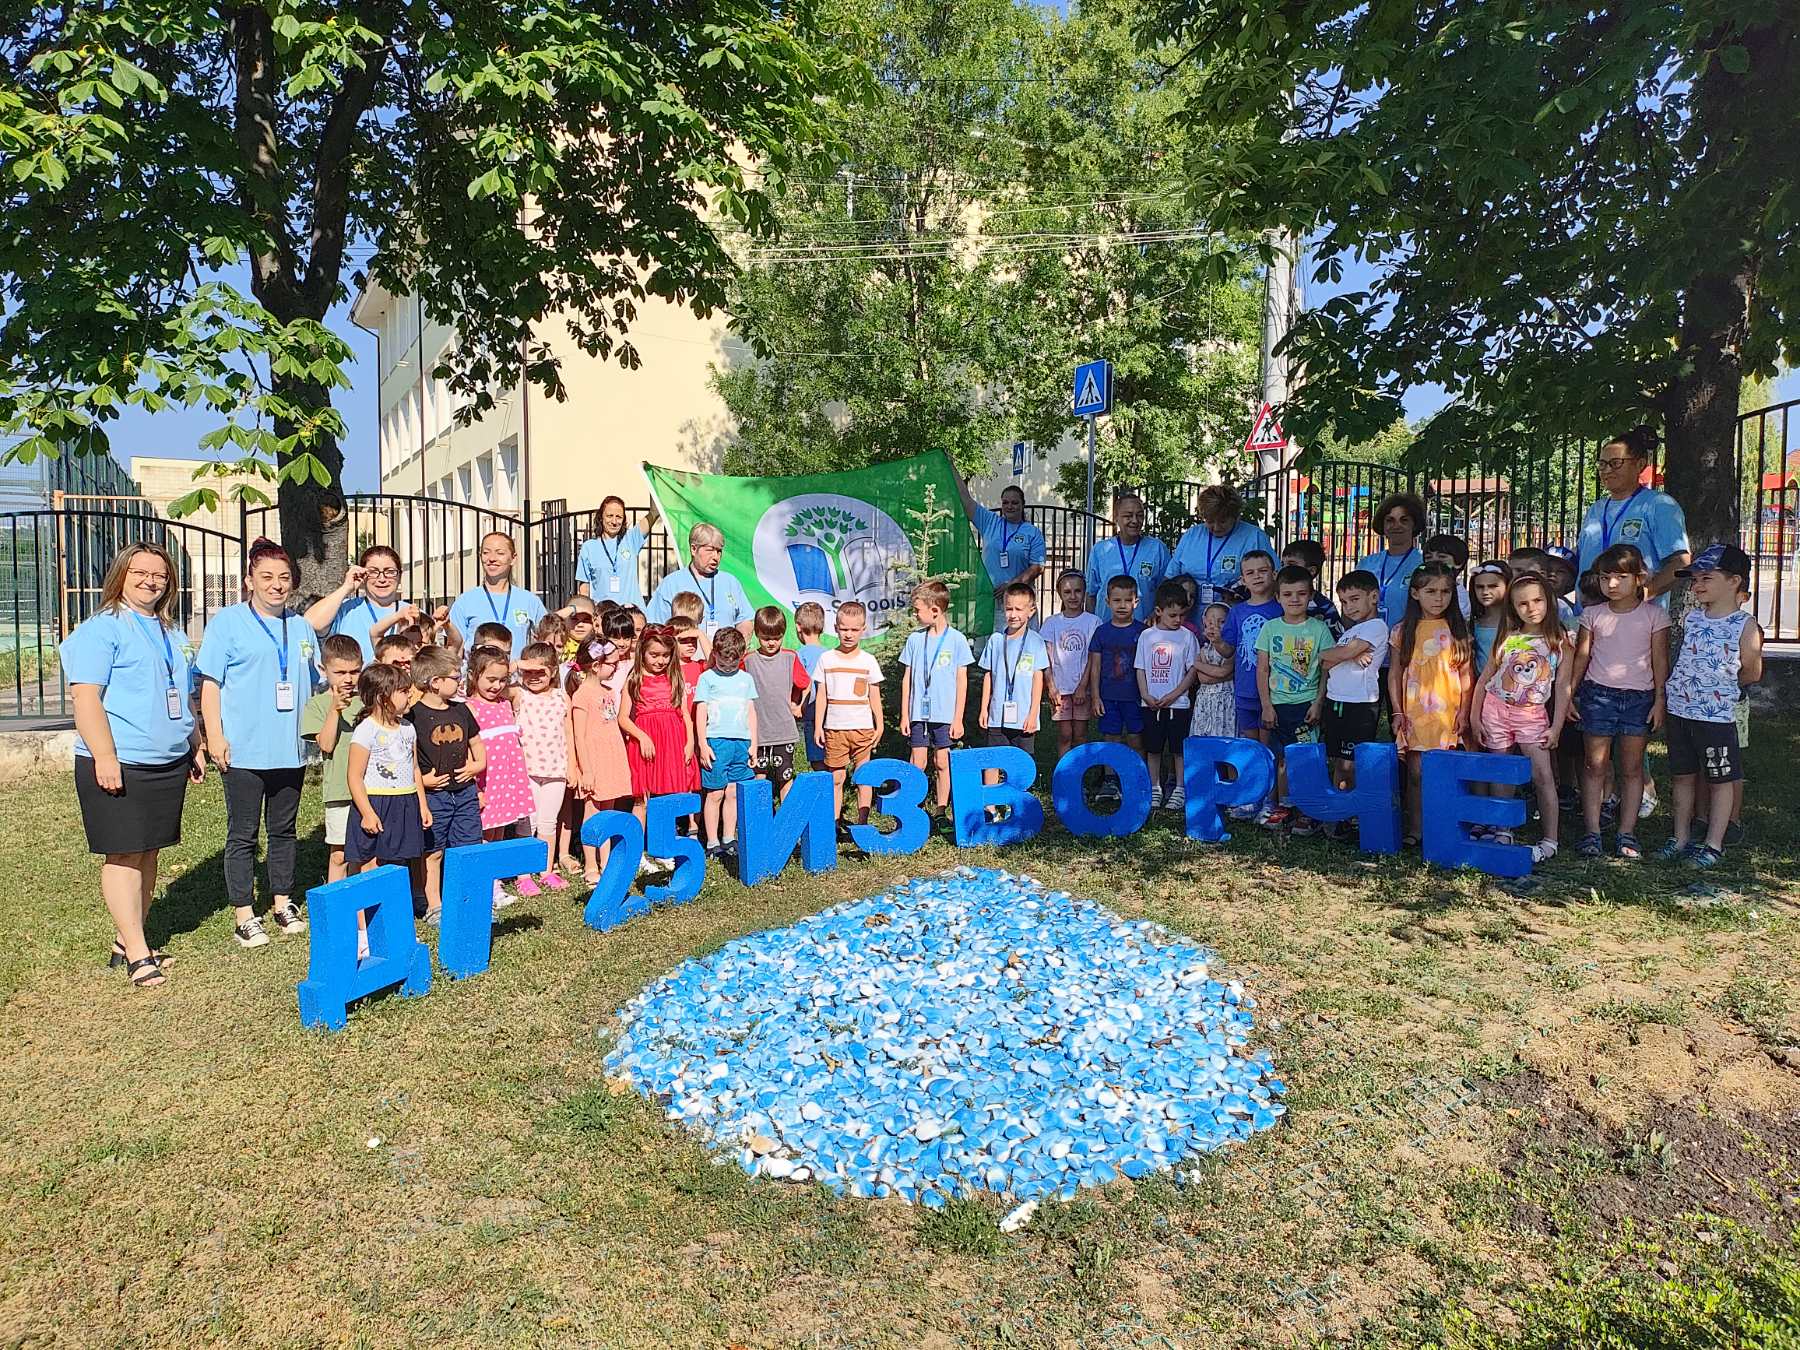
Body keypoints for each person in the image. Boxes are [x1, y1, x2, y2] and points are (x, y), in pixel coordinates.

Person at [60, 541, 205, 989]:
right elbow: (86, 698)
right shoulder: (102, 629)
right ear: (121, 575)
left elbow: (185, 696)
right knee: (123, 852)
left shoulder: (172, 633)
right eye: (140, 572)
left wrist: (194, 744)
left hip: (166, 761)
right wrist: (105, 756)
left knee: (149, 850)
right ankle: (139, 953)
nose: (150, 581)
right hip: (120, 761)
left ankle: (127, 939)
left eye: (159, 574)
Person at [198, 538, 317, 948]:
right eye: (266, 577)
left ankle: (282, 902)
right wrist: (214, 735)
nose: (276, 585)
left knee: (284, 830)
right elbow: (210, 684)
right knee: (243, 833)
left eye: (284, 577)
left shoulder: (300, 627)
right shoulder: (227, 623)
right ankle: (244, 914)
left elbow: (314, 681)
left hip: (290, 748)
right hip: (244, 749)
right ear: (249, 580)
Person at [1658, 546, 1762, 867]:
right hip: (1680, 711)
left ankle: (1714, 843)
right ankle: (1680, 836)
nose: (1697, 585)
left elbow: (1752, 671)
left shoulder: (1745, 625)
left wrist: (1721, 690)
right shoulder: (1692, 618)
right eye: (1695, 579)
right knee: (1682, 776)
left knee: (1720, 779)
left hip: (1716, 717)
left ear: (1734, 581)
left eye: (1707, 578)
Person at [1565, 544, 1670, 859]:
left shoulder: (1655, 615)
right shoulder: (1593, 615)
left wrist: (1659, 700)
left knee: (1632, 767)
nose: (1611, 584)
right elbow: (1582, 657)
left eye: (1621, 577)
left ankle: (1627, 832)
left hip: (1639, 699)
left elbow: (1659, 661)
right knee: (1594, 764)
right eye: (1604, 577)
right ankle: (1592, 831)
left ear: (1639, 578)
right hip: (1598, 695)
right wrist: (1570, 694)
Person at [1474, 575, 1572, 863]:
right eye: (1523, 603)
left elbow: (1563, 687)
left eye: (1538, 600)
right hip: (1496, 710)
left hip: (1532, 715)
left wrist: (1556, 726)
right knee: (1502, 771)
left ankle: (1550, 838)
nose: (1531, 608)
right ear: (1514, 608)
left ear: (1549, 601)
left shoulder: (1560, 641)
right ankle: (1502, 829)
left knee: (1543, 775)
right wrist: (1475, 717)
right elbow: (1485, 678)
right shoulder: (1507, 637)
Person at [1388, 562, 1474, 845]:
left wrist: (1464, 711)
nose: (1439, 598)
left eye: (1445, 592)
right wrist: (1397, 710)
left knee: (1446, 772)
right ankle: (1416, 828)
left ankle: (1444, 827)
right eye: (1431, 591)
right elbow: (1395, 673)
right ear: (1415, 594)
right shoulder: (1403, 630)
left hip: (1448, 714)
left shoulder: (1457, 630)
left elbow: (1466, 675)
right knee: (1416, 774)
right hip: (1415, 714)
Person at [409, 645, 485, 922]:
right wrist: (424, 781)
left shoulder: (462, 710)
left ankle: (468, 900)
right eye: (455, 676)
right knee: (433, 852)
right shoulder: (413, 716)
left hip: (465, 792)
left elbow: (477, 745)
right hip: (434, 796)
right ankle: (434, 904)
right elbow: (409, 760)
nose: (460, 681)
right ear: (435, 682)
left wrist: (477, 765)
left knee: (467, 848)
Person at [1255, 565, 1334, 832]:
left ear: (1310, 595)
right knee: (1282, 759)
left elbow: (1326, 670)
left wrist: (1318, 702)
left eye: (1301, 593)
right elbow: (1262, 669)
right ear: (1278, 597)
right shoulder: (1270, 628)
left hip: (1307, 704)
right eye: (1288, 594)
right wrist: (1266, 705)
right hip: (1278, 705)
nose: (1295, 599)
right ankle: (1285, 806)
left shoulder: (1319, 629)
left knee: (1307, 758)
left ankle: (1309, 810)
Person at [1575, 426, 1691, 601]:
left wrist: (1642, 595)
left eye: (1615, 463)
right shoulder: (1596, 509)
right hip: (1589, 613)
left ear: (1640, 464)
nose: (1607, 470)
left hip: (1636, 615)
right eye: (1602, 464)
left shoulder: (1658, 505)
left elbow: (1681, 562)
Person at [620, 626, 698, 865]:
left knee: (667, 798)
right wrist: (642, 736)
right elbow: (623, 718)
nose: (660, 660)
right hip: (646, 743)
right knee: (642, 799)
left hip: (673, 741)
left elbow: (685, 713)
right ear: (642, 652)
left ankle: (664, 847)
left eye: (665, 655)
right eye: (654, 655)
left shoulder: (674, 677)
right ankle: (635, 853)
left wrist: (690, 742)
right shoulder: (634, 679)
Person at [344, 662, 431, 874]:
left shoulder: (408, 728)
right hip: (376, 803)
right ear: (383, 698)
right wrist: (367, 813)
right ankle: (367, 898)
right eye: (403, 691)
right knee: (371, 864)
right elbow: (354, 776)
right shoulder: (366, 730)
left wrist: (422, 805)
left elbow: (415, 769)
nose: (410, 695)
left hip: (405, 802)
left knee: (398, 863)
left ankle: (399, 897)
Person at [305, 545, 457, 665]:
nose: (382, 579)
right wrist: (346, 588)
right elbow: (311, 623)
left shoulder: (413, 612)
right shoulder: (346, 609)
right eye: (373, 572)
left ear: (399, 576)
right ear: (363, 575)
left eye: (389, 572)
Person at [897, 583, 973, 821]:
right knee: (917, 762)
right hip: (918, 714)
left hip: (945, 714)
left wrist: (958, 718)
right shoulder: (915, 640)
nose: (914, 614)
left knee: (942, 762)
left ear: (935, 610)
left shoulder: (957, 640)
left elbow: (962, 681)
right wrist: (905, 714)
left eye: (917, 610)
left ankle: (940, 811)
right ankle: (912, 809)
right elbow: (907, 679)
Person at [465, 647, 535, 906]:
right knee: (485, 832)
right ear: (473, 676)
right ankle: (489, 884)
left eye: (502, 680)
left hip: (508, 779)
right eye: (490, 679)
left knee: (500, 830)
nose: (497, 686)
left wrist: (515, 667)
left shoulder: (505, 704)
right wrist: (475, 789)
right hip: (487, 781)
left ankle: (495, 877)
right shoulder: (469, 708)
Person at [814, 601, 884, 828]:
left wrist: (880, 724)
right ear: (836, 628)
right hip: (834, 728)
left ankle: (862, 823)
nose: (848, 634)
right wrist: (818, 726)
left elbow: (874, 695)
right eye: (844, 629)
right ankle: (834, 823)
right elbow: (821, 695)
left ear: (863, 629)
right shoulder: (826, 659)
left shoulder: (868, 660)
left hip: (863, 728)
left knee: (864, 776)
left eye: (854, 629)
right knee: (836, 778)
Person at [1319, 571, 1389, 799]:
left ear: (1374, 597)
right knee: (1340, 761)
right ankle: (1340, 806)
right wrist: (1348, 654)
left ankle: (1354, 806)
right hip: (1336, 699)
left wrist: (1343, 653)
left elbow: (1336, 654)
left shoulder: (1376, 626)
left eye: (1355, 599)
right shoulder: (1350, 632)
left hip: (1359, 704)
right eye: (1344, 602)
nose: (1349, 607)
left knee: (1352, 763)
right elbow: (1325, 661)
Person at [302, 635, 364, 885]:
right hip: (340, 790)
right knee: (340, 854)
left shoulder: (367, 700)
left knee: (365, 852)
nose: (348, 679)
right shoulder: (318, 704)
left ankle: (361, 899)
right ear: (323, 669)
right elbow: (326, 744)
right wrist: (335, 710)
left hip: (371, 788)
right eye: (340, 672)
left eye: (354, 671)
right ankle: (336, 899)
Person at [514, 641, 575, 893]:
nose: (534, 677)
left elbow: (569, 733)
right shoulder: (519, 694)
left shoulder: (562, 696)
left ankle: (546, 870)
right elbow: (500, 673)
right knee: (527, 824)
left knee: (548, 823)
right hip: (526, 771)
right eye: (528, 671)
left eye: (540, 671)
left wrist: (573, 767)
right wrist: (521, 664)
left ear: (553, 671)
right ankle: (523, 874)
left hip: (556, 770)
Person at [570, 641, 632, 884]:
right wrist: (586, 770)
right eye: (612, 664)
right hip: (594, 760)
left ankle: (606, 861)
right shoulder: (582, 695)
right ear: (596, 666)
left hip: (610, 757)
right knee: (592, 812)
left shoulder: (607, 692)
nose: (615, 668)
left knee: (608, 810)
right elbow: (579, 735)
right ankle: (590, 864)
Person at [1135, 581, 1200, 813]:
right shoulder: (1146, 636)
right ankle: (1154, 786)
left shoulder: (1188, 637)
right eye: (1172, 615)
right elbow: (1140, 668)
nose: (1178, 620)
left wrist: (1174, 694)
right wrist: (1145, 694)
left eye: (1182, 615)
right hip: (1151, 704)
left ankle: (1180, 788)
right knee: (1153, 748)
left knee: (1178, 749)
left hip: (1178, 705)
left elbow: (1192, 671)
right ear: (1158, 611)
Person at [695, 627, 759, 858]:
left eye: (733, 664)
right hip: (717, 742)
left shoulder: (746, 679)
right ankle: (712, 842)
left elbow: (751, 712)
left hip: (741, 742)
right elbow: (700, 712)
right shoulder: (707, 678)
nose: (728, 668)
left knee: (732, 792)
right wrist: (703, 744)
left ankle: (729, 838)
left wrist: (754, 743)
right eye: (723, 663)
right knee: (715, 793)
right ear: (715, 654)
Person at [1086, 576, 1147, 805]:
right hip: (1109, 696)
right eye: (1116, 600)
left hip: (1135, 697)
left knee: (1136, 738)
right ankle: (1110, 779)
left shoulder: (1144, 632)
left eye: (1127, 600)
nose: (1122, 605)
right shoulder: (1101, 632)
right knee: (1111, 738)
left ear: (1136, 602)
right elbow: (1095, 667)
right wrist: (1095, 696)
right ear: (1107, 602)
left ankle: (1137, 778)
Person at [1213, 551, 1282, 754]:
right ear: (1243, 580)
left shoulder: (1281, 609)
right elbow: (1228, 651)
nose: (1257, 576)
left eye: (1263, 571)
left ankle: (1272, 777)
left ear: (1274, 574)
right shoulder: (1237, 611)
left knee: (1269, 750)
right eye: (1250, 573)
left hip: (1275, 691)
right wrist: (1216, 640)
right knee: (1252, 750)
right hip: (1245, 690)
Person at [1169, 485, 1276, 607]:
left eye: (1223, 521)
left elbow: (1274, 578)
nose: (1216, 527)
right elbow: (1170, 577)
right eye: (1210, 521)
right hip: (1190, 614)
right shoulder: (1191, 535)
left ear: (1235, 517)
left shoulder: (1254, 537)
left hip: (1237, 612)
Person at [449, 533, 546, 661]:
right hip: (477, 673)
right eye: (486, 553)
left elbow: (548, 636)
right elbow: (455, 649)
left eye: (500, 553)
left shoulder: (529, 600)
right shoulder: (465, 602)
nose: (492, 558)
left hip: (516, 673)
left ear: (513, 558)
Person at [646, 523, 754, 637]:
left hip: (726, 648)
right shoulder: (671, 584)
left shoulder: (730, 582)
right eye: (710, 550)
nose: (716, 557)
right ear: (694, 549)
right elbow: (656, 628)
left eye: (719, 551)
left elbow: (744, 620)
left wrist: (740, 642)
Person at [978, 582, 1049, 752]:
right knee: (995, 759)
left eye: (1019, 609)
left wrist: (1033, 714)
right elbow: (988, 676)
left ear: (1031, 611)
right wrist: (984, 709)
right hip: (997, 716)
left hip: (1024, 717)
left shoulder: (1036, 641)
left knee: (1023, 761)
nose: (1013, 614)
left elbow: (1038, 679)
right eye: (1009, 609)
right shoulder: (995, 640)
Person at [1041, 570, 1100, 756]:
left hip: (1082, 688)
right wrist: (1051, 687)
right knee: (1065, 734)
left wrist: (1083, 686)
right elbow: (1046, 657)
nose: (1073, 596)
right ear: (1059, 593)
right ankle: (1064, 771)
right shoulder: (1051, 623)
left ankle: (1080, 769)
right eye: (1067, 592)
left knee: (1080, 734)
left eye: (1077, 591)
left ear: (1084, 592)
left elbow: (1092, 657)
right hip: (1060, 689)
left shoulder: (1093, 622)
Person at [1084, 493, 1169, 623]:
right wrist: (1091, 626)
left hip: (1144, 629)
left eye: (1139, 515)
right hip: (1107, 627)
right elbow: (1091, 594)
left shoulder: (1157, 549)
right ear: (1116, 518)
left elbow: (1166, 590)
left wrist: (1155, 615)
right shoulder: (1100, 550)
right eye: (1128, 516)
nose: (1135, 521)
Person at [957, 480, 1046, 601]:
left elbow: (1038, 567)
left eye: (1014, 503)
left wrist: (1011, 585)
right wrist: (952, 468)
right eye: (1005, 503)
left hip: (1018, 599)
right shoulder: (989, 521)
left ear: (1023, 504)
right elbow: (966, 500)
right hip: (989, 598)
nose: (1009, 506)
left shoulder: (1033, 532)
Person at [1358, 492, 1428, 628]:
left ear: (1414, 524)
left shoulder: (1423, 564)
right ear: (1383, 525)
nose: (1396, 525)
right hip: (1366, 639)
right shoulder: (1366, 564)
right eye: (1390, 520)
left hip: (1408, 638)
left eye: (1404, 520)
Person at [576, 496, 655, 607]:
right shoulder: (589, 547)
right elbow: (584, 588)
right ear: (601, 517)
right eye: (609, 516)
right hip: (604, 613)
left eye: (618, 517)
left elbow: (654, 513)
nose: (614, 521)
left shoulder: (631, 539)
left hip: (632, 613)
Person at [1189, 602, 1236, 740]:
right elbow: (1203, 679)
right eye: (1210, 622)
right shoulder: (1203, 649)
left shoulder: (1231, 648)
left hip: (1226, 700)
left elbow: (1223, 671)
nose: (1215, 626)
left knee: (1224, 736)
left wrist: (1198, 664)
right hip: (1205, 700)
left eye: (1222, 622)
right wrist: (1225, 673)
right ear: (1204, 622)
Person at [1280, 539, 1343, 636]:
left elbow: (1335, 639)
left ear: (1311, 571)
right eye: (1282, 564)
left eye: (1291, 564)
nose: (1284, 569)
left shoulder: (1324, 607)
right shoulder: (1276, 598)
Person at [793, 601, 828, 773]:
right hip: (830, 714)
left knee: (817, 761)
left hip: (811, 714)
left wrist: (799, 706)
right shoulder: (830, 654)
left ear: (798, 627)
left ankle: (822, 786)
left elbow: (803, 684)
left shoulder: (799, 655)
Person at [1468, 561, 1513, 676]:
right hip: (1481, 682)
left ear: (1508, 586)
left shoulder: (1517, 622)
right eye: (1479, 587)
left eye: (1493, 586)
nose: (1485, 592)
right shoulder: (1472, 624)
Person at [1421, 534, 1472, 618]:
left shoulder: (1461, 598)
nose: (1434, 561)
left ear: (1459, 563)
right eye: (1428, 557)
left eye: (1442, 556)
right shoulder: (1420, 589)